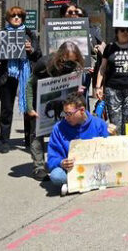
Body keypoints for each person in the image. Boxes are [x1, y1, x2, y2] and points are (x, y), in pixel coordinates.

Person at [24, 42, 84, 180]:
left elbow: (74, 84)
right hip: (39, 102)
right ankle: (39, 167)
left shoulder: (75, 66)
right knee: (36, 134)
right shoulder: (44, 64)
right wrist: (29, 108)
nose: (71, 64)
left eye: (74, 61)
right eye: (68, 61)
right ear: (60, 57)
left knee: (65, 130)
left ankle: (65, 160)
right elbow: (29, 85)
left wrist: (78, 89)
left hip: (63, 103)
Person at [0, 6, 42, 153]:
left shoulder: (29, 34)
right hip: (7, 75)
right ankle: (5, 141)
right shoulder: (2, 35)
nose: (16, 18)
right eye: (13, 16)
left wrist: (30, 50)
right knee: (6, 109)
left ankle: (29, 139)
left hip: (26, 75)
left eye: (19, 16)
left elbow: (38, 55)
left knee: (29, 107)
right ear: (8, 18)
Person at [46, 92, 112, 196]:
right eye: (65, 113)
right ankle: (89, 183)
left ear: (81, 110)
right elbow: (51, 159)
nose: (66, 117)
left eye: (69, 114)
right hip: (71, 170)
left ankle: (75, 185)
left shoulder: (98, 124)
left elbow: (110, 151)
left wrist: (113, 135)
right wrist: (61, 162)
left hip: (95, 168)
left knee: (112, 169)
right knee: (56, 175)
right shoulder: (58, 128)